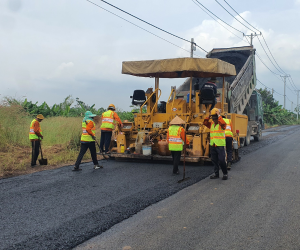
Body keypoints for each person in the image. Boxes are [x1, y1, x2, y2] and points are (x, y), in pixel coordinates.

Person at [203, 108, 228, 180]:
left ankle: (225, 173)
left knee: (222, 160)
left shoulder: (222, 124)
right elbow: (205, 123)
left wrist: (219, 115)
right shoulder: (211, 124)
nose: (214, 120)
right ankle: (216, 174)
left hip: (220, 145)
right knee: (214, 160)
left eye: (215, 118)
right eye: (213, 118)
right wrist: (208, 116)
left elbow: (223, 123)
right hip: (213, 145)